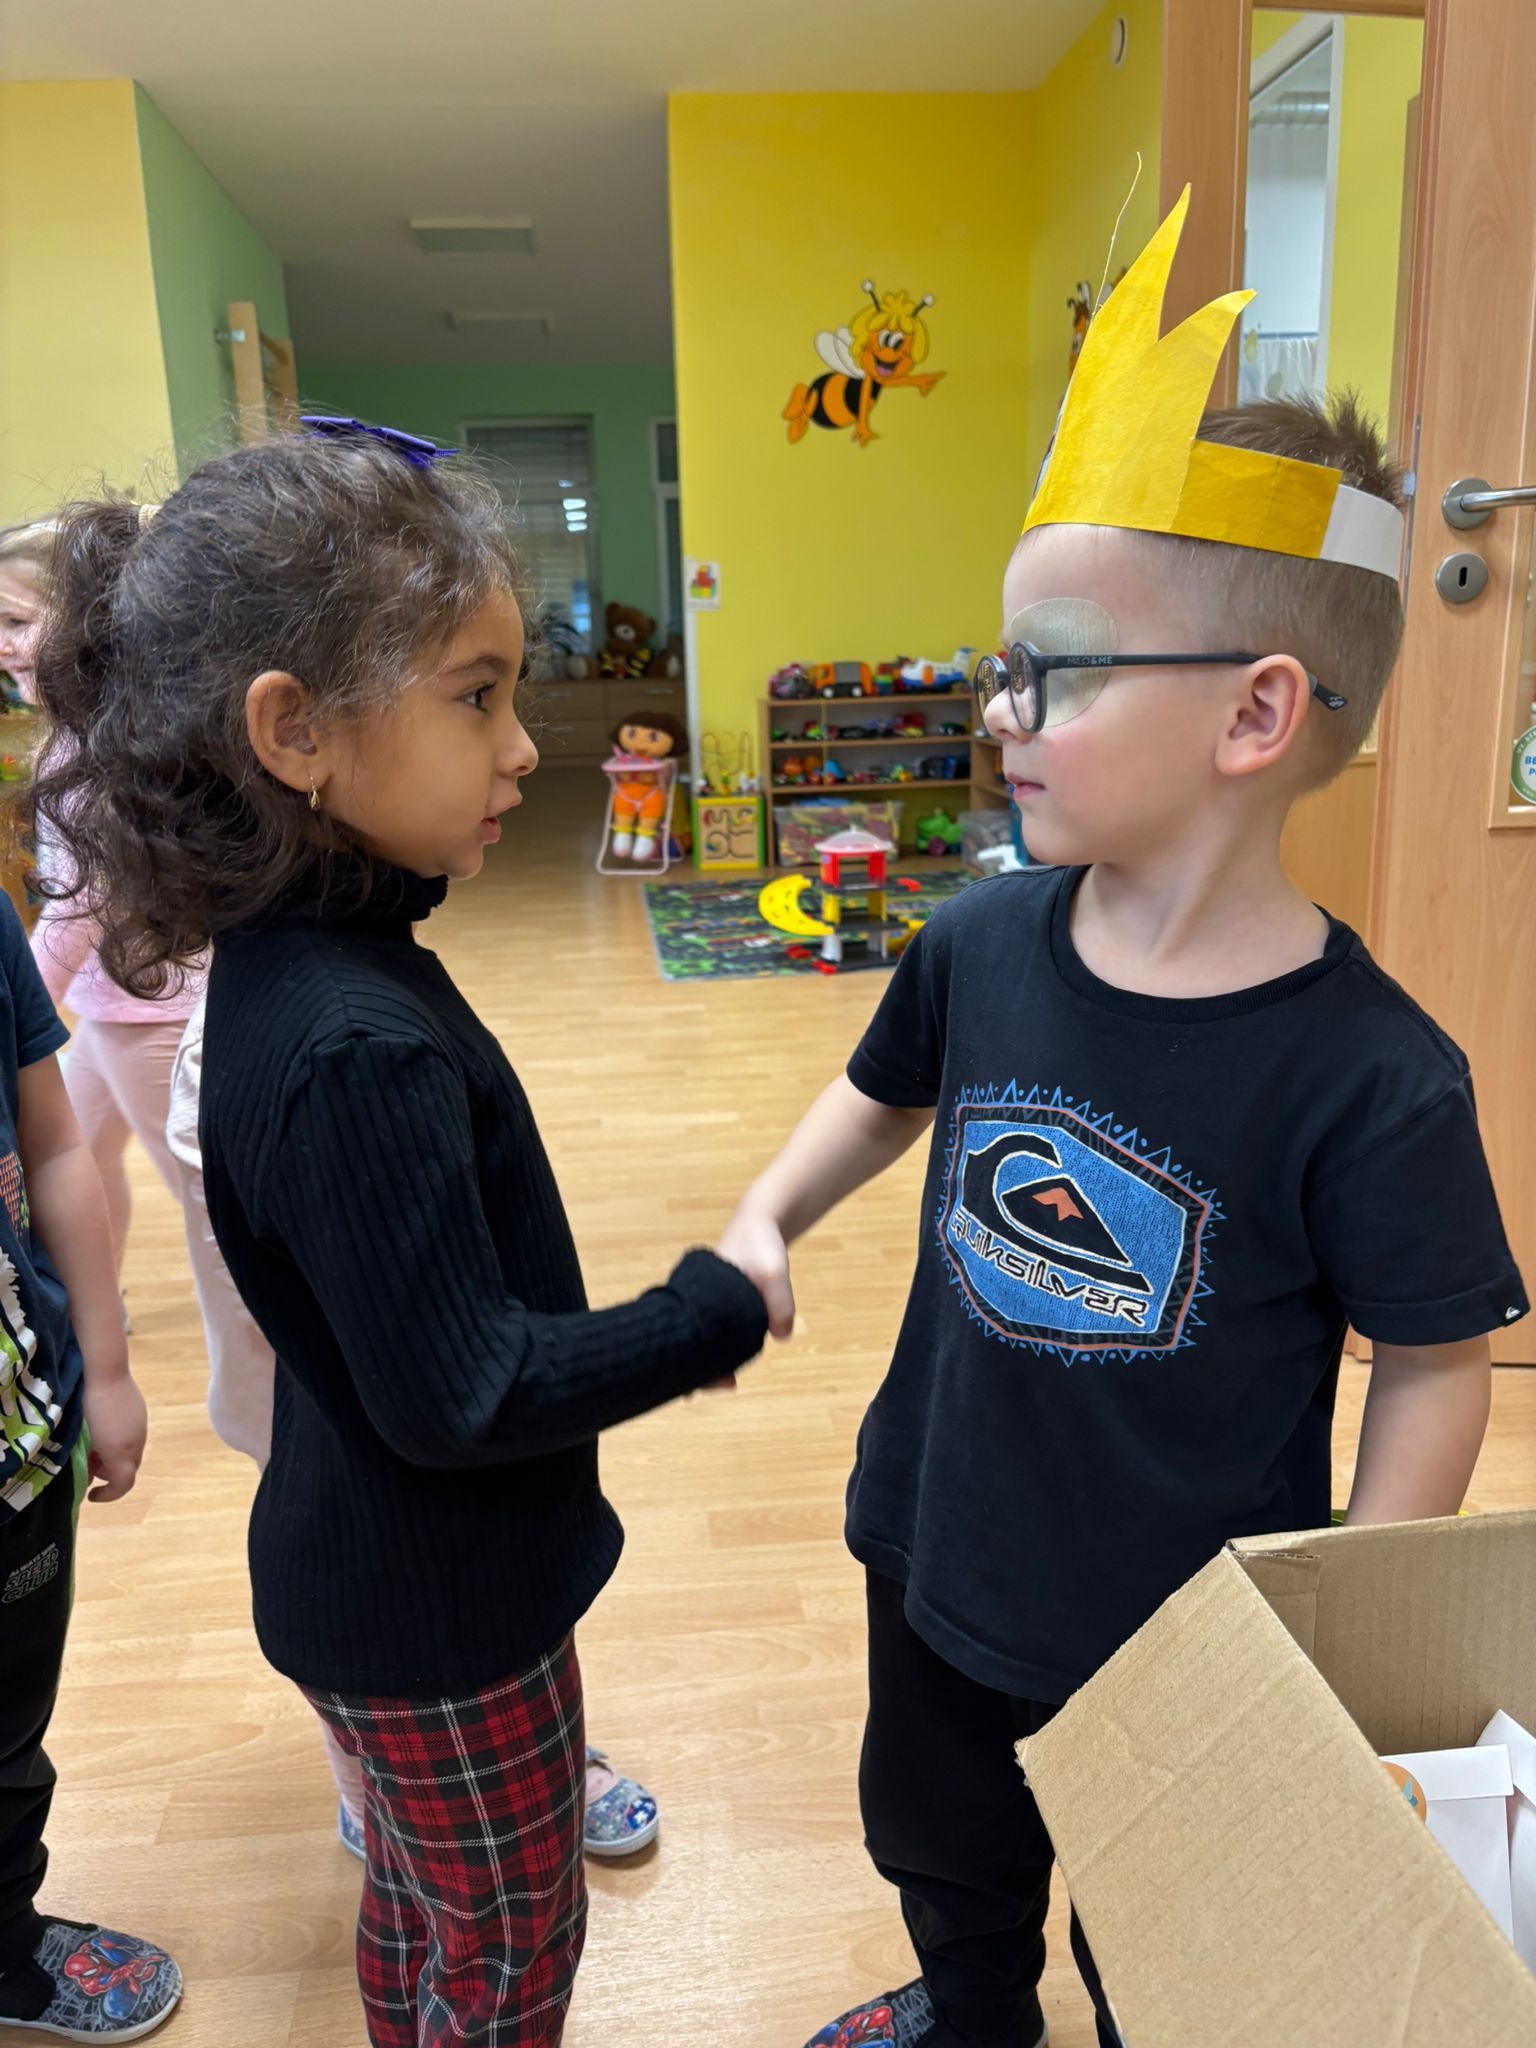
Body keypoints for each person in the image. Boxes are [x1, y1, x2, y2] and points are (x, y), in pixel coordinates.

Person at [720, 198, 1527, 2048]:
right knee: (945, 1849)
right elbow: (882, 1092)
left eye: (1052, 670)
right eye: (1000, 661)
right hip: (936, 1534)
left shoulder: (1375, 1073)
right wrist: (768, 1212)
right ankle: (969, 2011)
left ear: (1254, 715)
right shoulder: (980, 938)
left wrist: (1339, 1620)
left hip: (1187, 1625)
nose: (995, 707)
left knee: (1161, 1923)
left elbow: (1433, 1359)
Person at [33, 423, 768, 2048]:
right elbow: (468, 1391)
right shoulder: (353, 1038)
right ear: (293, 731)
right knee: (509, 1950)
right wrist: (706, 1311)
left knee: (422, 1911)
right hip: (440, 1623)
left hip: (362, 1578)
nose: (523, 749)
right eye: (476, 697)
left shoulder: (295, 958)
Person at [164, 996, 666, 1865]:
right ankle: (373, 1792)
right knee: (398, 1655)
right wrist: (689, 1326)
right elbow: (446, 1382)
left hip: (459, 1478)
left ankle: (520, 1768)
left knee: (503, 1618)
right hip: (348, 1453)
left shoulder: (355, 999)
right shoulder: (336, 1048)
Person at [0, 884, 181, 2039]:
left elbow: (56, 1140)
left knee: (12, 1727)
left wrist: (105, 1368)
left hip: (24, 1436)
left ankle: (5, 1943)